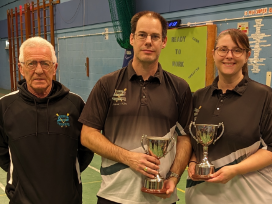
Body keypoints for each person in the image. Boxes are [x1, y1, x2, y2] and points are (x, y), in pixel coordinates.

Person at [79, 11, 193, 204]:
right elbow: (87, 134)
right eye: (142, 35)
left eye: (155, 36)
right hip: (114, 195)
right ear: (132, 39)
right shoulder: (107, 84)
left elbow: (185, 138)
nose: (148, 41)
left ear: (163, 42)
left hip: (161, 197)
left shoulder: (180, 88)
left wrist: (173, 178)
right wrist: (129, 157)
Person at [0, 36, 94, 204]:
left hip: (68, 199)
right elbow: (1, 153)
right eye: (31, 63)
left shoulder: (75, 104)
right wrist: (22, 181)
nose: (38, 70)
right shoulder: (5, 106)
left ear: (54, 68)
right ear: (21, 68)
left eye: (45, 63)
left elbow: (86, 150)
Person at [186, 29, 272, 204]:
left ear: (247, 55)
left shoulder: (264, 96)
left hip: (249, 197)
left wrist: (235, 169)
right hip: (200, 196)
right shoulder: (199, 96)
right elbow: (194, 141)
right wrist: (193, 161)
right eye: (223, 49)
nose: (229, 55)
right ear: (213, 53)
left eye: (237, 50)